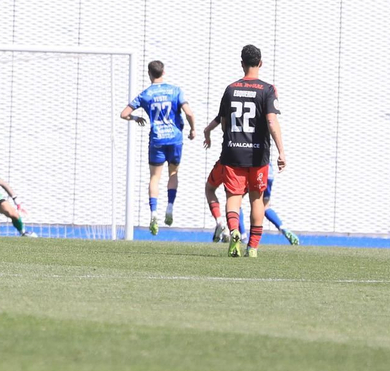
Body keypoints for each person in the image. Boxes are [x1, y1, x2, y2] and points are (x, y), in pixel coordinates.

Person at [203, 44, 286, 258]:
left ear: (242, 63)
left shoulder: (230, 89)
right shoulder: (268, 89)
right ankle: (253, 248)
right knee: (257, 199)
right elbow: (271, 121)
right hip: (258, 155)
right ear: (260, 63)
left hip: (233, 153)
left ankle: (234, 233)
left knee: (234, 196)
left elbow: (223, 123)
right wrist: (281, 151)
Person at [120, 60, 195, 236]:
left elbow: (124, 114)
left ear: (149, 73)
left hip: (157, 139)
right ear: (164, 72)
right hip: (175, 139)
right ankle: (169, 207)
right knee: (173, 174)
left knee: (155, 177)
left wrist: (136, 118)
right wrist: (193, 129)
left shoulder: (146, 94)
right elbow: (189, 113)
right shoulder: (175, 90)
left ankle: (153, 214)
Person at [209, 159, 300, 246]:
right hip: (267, 170)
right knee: (265, 206)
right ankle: (283, 228)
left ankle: (243, 236)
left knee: (236, 202)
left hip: (251, 168)